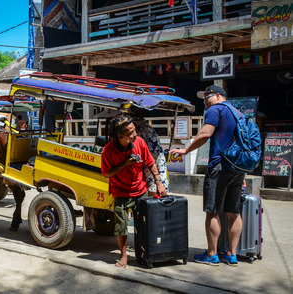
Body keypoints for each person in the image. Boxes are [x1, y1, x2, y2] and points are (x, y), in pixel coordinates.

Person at [169, 85, 245, 267]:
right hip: (238, 167)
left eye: (207, 97)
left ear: (218, 95)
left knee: (212, 211)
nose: (205, 102)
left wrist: (186, 150)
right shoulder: (238, 113)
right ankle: (231, 255)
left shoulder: (216, 109)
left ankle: (212, 254)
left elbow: (205, 134)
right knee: (234, 212)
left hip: (219, 166)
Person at [101, 115, 167, 268]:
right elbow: (106, 173)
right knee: (121, 226)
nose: (135, 134)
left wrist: (159, 183)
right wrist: (125, 163)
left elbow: (151, 162)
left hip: (140, 191)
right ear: (120, 136)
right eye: (131, 132)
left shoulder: (140, 142)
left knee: (144, 225)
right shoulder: (108, 151)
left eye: (134, 130)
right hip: (121, 192)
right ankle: (123, 256)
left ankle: (144, 252)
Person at [130, 109, 169, 195]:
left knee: (153, 182)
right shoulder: (138, 125)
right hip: (153, 154)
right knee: (155, 182)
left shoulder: (135, 123)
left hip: (152, 155)